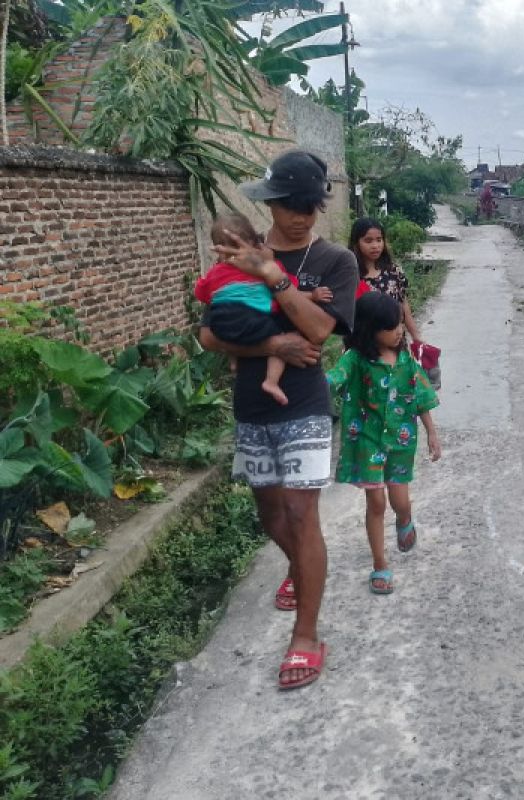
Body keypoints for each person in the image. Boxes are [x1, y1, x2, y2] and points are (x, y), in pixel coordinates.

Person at [199, 150, 358, 691]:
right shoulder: (236, 252)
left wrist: (273, 275)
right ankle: (299, 568)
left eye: (309, 206)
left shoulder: (335, 259)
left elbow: (318, 331)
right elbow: (209, 334)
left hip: (306, 403)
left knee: (300, 508)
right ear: (269, 203)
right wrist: (272, 343)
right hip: (252, 402)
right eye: (289, 205)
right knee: (270, 513)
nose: (300, 216)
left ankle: (307, 635)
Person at [327, 292, 441, 594]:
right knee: (375, 502)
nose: (399, 332)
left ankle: (405, 521)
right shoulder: (355, 360)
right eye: (391, 327)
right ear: (369, 329)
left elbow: (420, 398)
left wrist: (431, 432)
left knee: (399, 502)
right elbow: (334, 378)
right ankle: (380, 564)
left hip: (401, 444)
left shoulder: (406, 360)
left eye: (400, 325)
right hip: (367, 441)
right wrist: (307, 382)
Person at [194, 212, 334, 406]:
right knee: (284, 330)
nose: (298, 216)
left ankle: (234, 360)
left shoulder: (215, 272)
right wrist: (313, 295)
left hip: (222, 324)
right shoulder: (264, 268)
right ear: (252, 242)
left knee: (230, 328)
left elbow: (202, 293)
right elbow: (291, 291)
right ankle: (271, 381)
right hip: (254, 323)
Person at [348, 217, 419, 342]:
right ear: (356, 243)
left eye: (379, 240)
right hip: (364, 346)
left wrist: (417, 338)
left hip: (396, 344)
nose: (375, 246)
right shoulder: (350, 277)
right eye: (368, 241)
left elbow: (405, 309)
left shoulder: (394, 272)